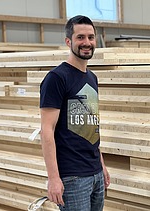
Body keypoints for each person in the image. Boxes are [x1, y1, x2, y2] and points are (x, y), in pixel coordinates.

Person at [39, 15, 110, 211]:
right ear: (68, 41)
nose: (86, 43)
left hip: (95, 172)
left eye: (90, 37)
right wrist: (53, 178)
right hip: (72, 176)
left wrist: (101, 164)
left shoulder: (92, 78)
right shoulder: (56, 78)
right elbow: (47, 130)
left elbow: (90, 126)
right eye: (80, 37)